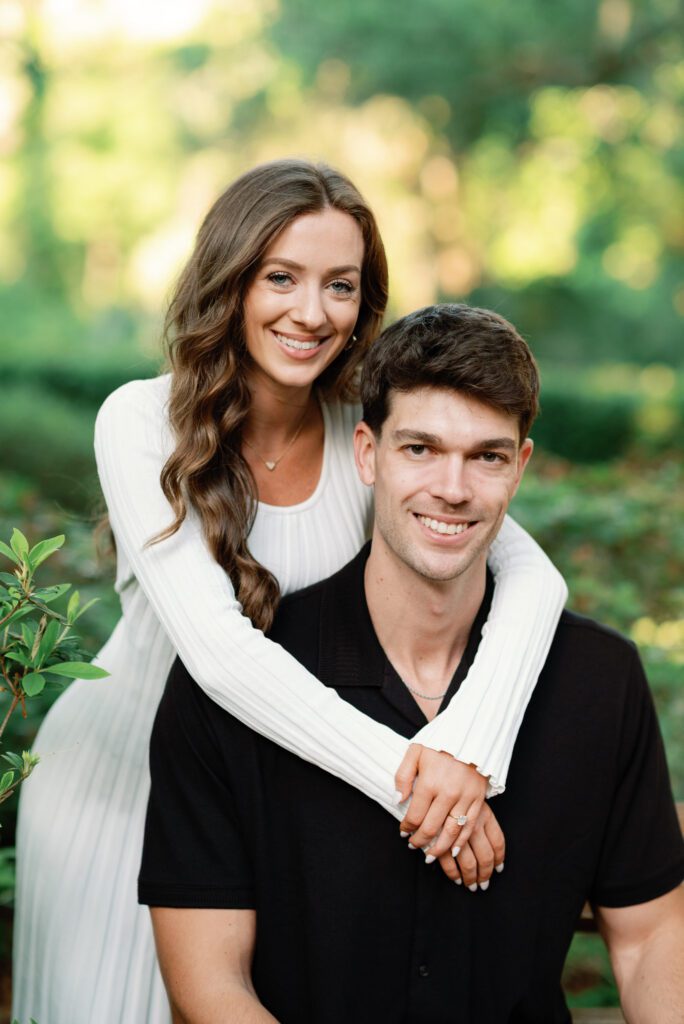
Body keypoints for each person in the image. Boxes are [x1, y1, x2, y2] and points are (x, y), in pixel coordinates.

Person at [13, 162, 566, 1024]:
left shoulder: (371, 440)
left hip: (283, 812)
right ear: (229, 281)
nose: (311, 312)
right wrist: (424, 790)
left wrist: (468, 750)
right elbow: (222, 659)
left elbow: (534, 575)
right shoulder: (140, 421)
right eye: (281, 277)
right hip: (116, 798)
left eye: (339, 285)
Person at [140, 303, 684, 1024]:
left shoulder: (598, 679)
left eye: (486, 455)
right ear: (367, 454)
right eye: (420, 449)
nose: (453, 489)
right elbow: (209, 985)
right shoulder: (235, 689)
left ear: (518, 468)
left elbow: (649, 939)